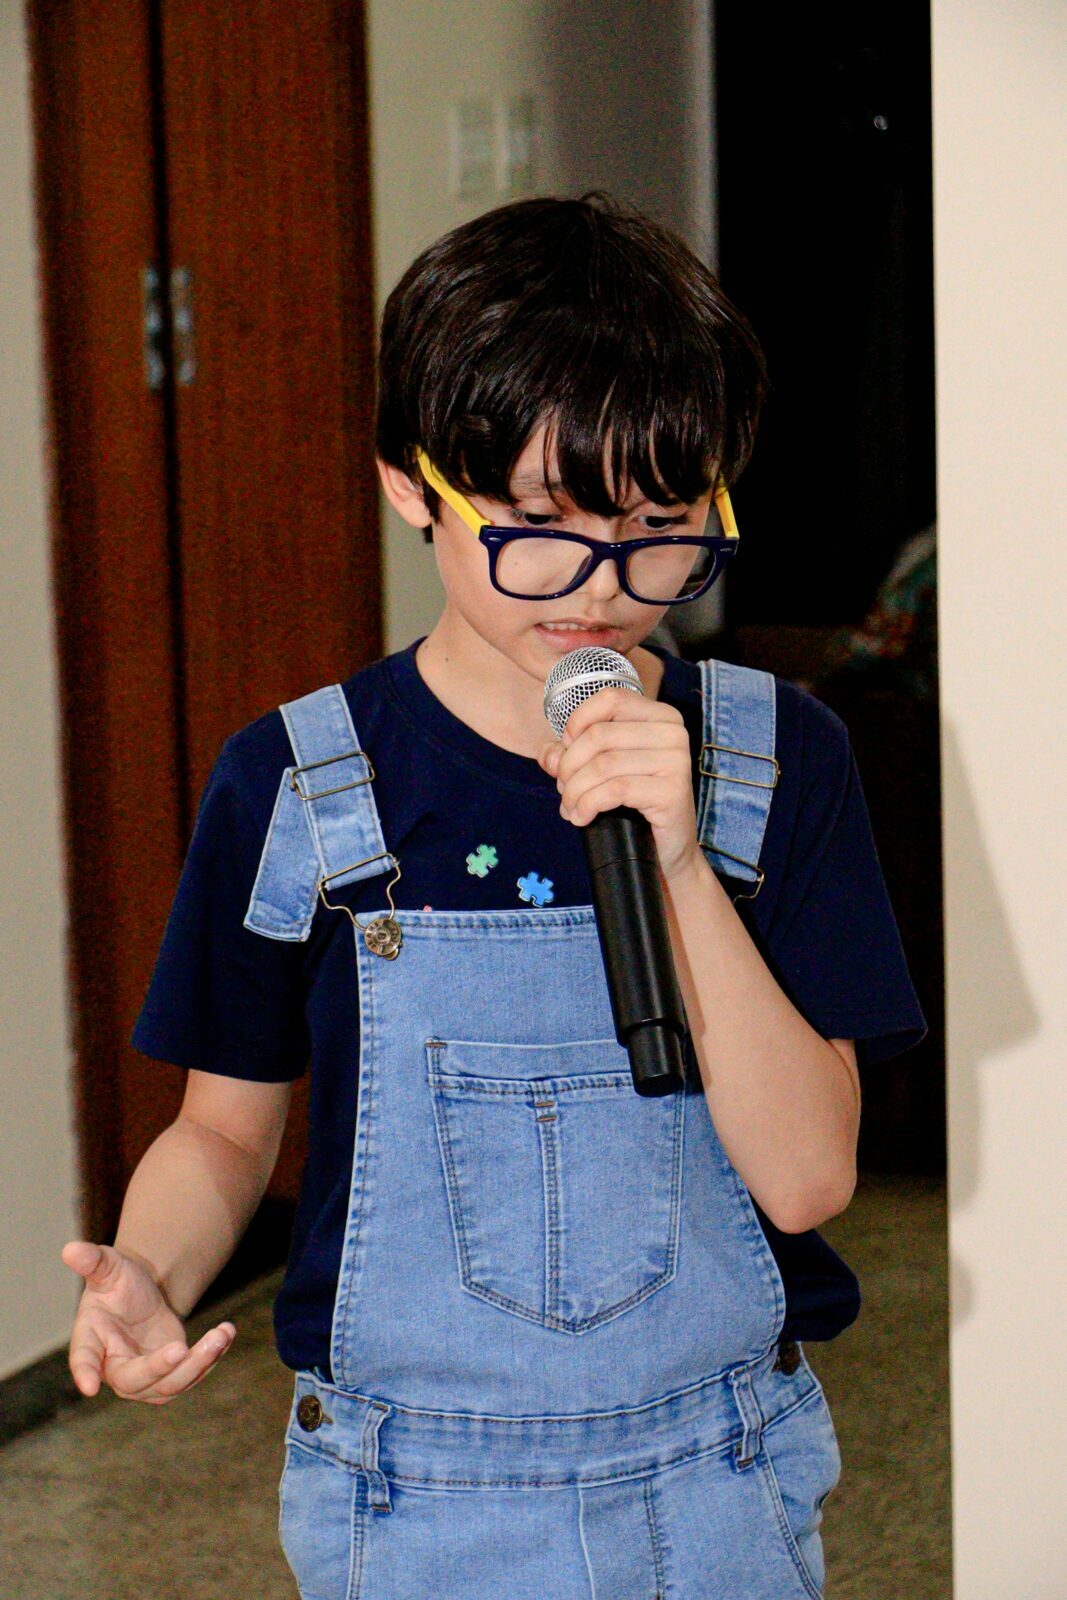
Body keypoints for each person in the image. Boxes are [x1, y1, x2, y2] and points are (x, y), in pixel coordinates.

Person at [61, 192, 927, 1598]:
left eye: (660, 527)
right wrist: (150, 1272)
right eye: (538, 526)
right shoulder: (295, 785)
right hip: (409, 1499)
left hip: (716, 1479)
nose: (602, 590)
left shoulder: (779, 760)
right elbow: (223, 1129)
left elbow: (810, 1175)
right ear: (412, 486)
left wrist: (679, 862)